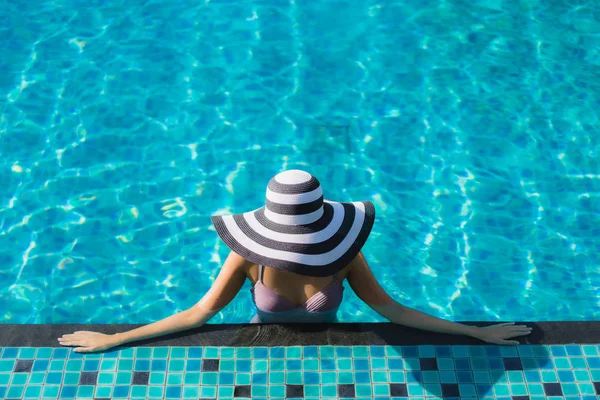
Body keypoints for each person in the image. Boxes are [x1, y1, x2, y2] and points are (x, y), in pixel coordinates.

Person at [58, 170, 531, 352]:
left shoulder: (346, 256)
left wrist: (474, 333)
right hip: (262, 345)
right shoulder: (246, 260)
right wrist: (116, 340)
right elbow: (200, 313)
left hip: (331, 351)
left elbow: (394, 310)